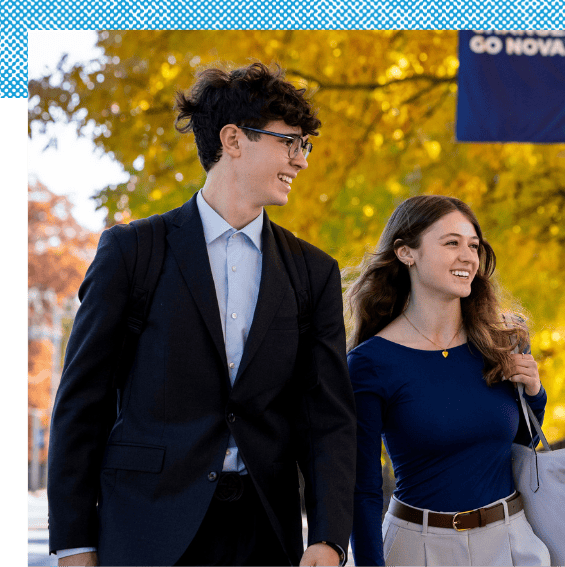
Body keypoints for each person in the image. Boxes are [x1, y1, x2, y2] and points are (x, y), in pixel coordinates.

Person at [47, 62, 356, 567]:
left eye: (305, 145)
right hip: (146, 531)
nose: (301, 160)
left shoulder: (313, 273)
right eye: (289, 143)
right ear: (233, 139)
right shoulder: (132, 252)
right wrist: (76, 542)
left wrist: (327, 536)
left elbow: (327, 419)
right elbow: (83, 403)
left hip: (266, 535)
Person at [345, 195, 551, 567]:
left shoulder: (504, 339)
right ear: (407, 253)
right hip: (417, 549)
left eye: (473, 245)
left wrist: (534, 393)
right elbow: (362, 487)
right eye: (451, 243)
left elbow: (519, 447)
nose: (468, 256)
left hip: (509, 543)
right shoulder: (370, 363)